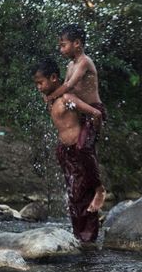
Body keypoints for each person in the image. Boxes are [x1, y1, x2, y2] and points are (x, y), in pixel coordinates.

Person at [32, 58, 104, 242]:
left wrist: (93, 136)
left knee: (83, 192)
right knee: (73, 195)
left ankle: (89, 238)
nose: (39, 87)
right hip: (67, 152)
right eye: (36, 84)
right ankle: (79, 236)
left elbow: (95, 113)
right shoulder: (50, 100)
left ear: (54, 78)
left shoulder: (67, 99)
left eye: (41, 83)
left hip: (78, 151)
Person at [47, 24, 107, 212]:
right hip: (80, 113)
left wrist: (51, 95)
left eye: (63, 45)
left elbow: (70, 85)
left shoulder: (84, 62)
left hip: (94, 111)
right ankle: (80, 199)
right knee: (68, 153)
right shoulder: (69, 65)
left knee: (83, 148)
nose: (61, 49)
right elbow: (65, 88)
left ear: (77, 44)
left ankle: (99, 190)